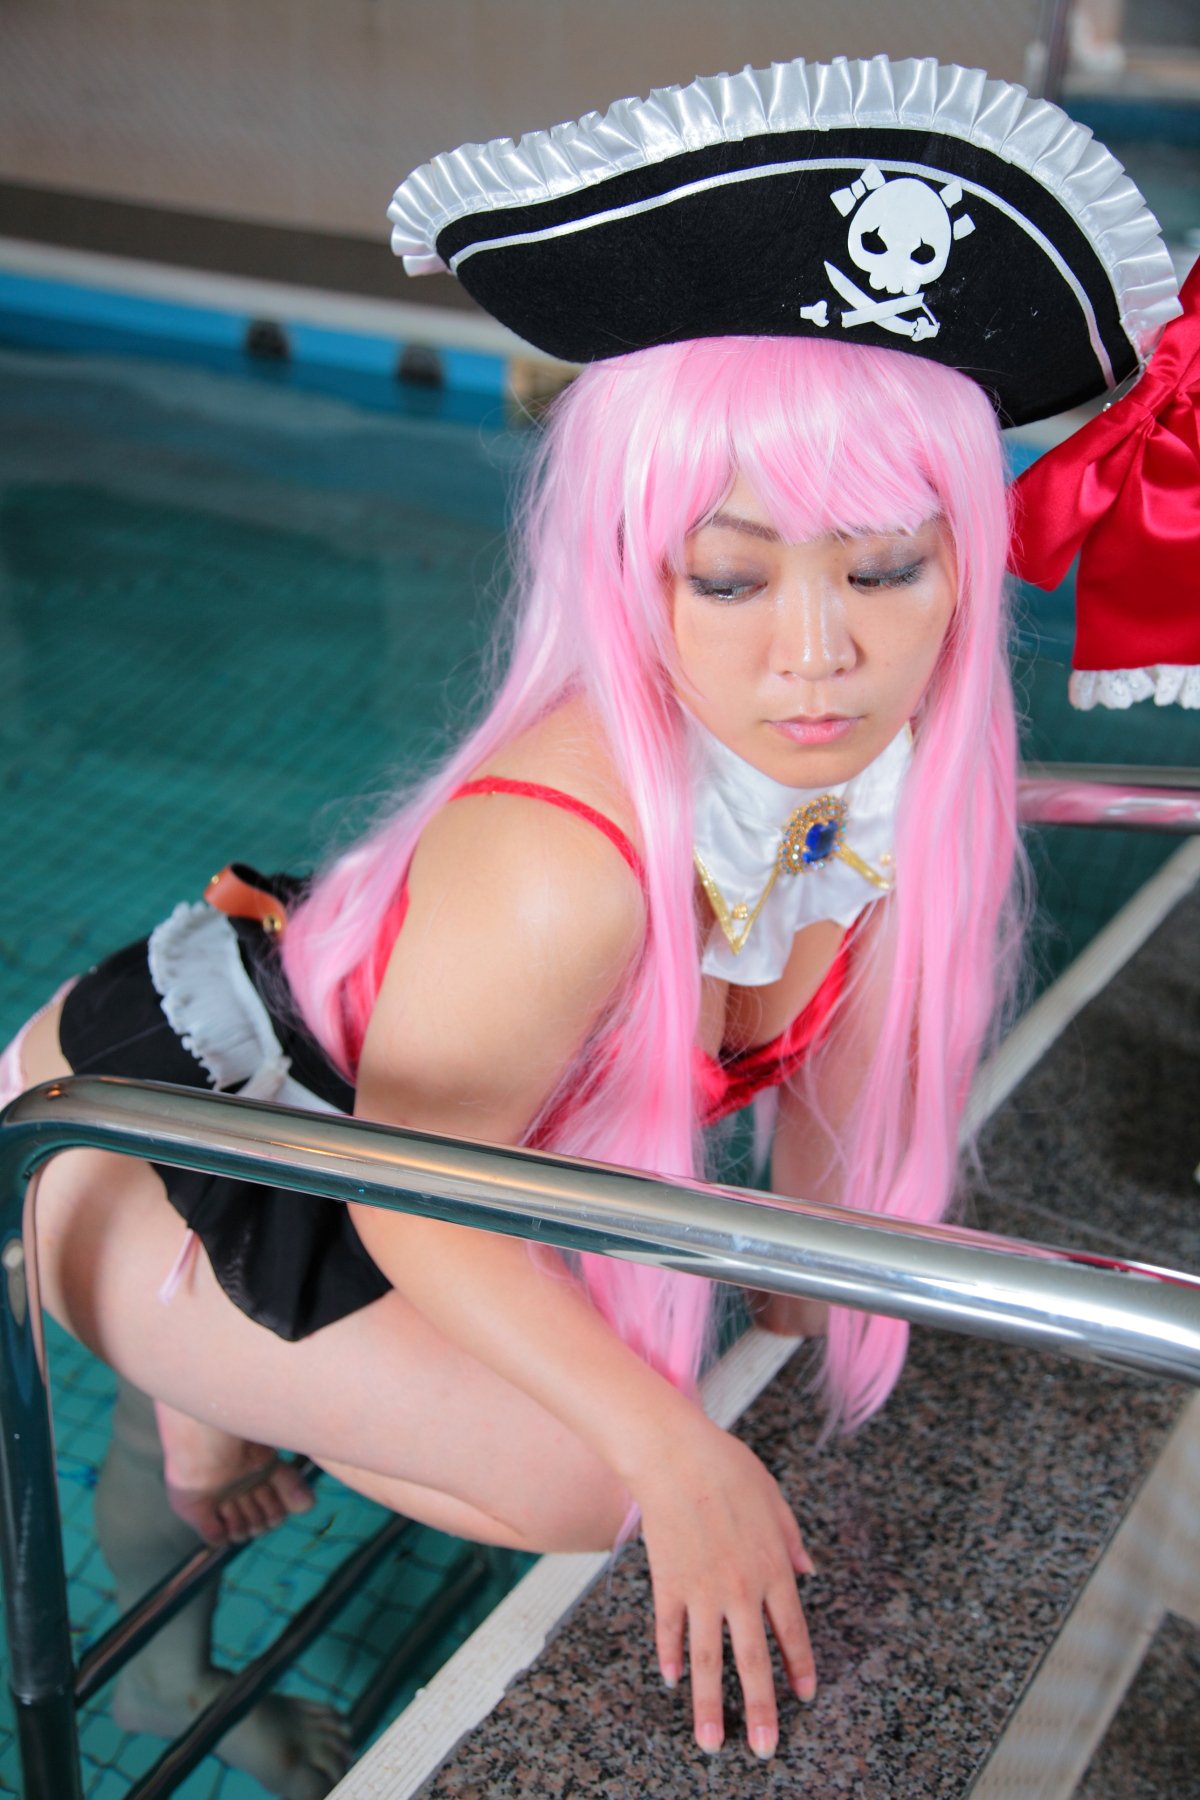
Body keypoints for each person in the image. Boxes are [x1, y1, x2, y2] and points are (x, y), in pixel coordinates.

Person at [2, 50, 1184, 1782]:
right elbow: (412, 1193)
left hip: (406, 1113)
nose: (818, 655)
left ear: (964, 557)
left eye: (884, 565)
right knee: (584, 1480)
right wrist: (678, 1454)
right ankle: (179, 1562)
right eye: (730, 575)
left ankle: (229, 1388)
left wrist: (805, 1288)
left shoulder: (889, 785)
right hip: (182, 1137)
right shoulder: (565, 856)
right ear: (632, 567)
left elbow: (833, 1086)